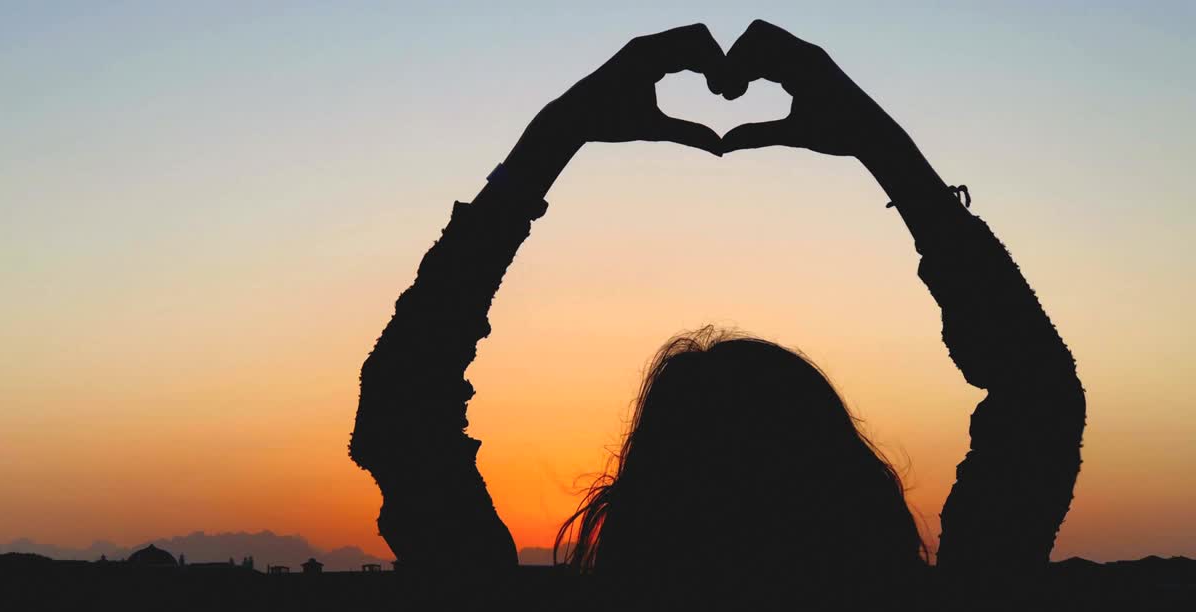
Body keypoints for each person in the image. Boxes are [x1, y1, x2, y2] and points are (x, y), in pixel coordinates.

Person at [349, 22, 1085, 577]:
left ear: (638, 505)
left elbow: (404, 408)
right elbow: (1038, 397)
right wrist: (889, 156)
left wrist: (556, 138)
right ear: (857, 488)